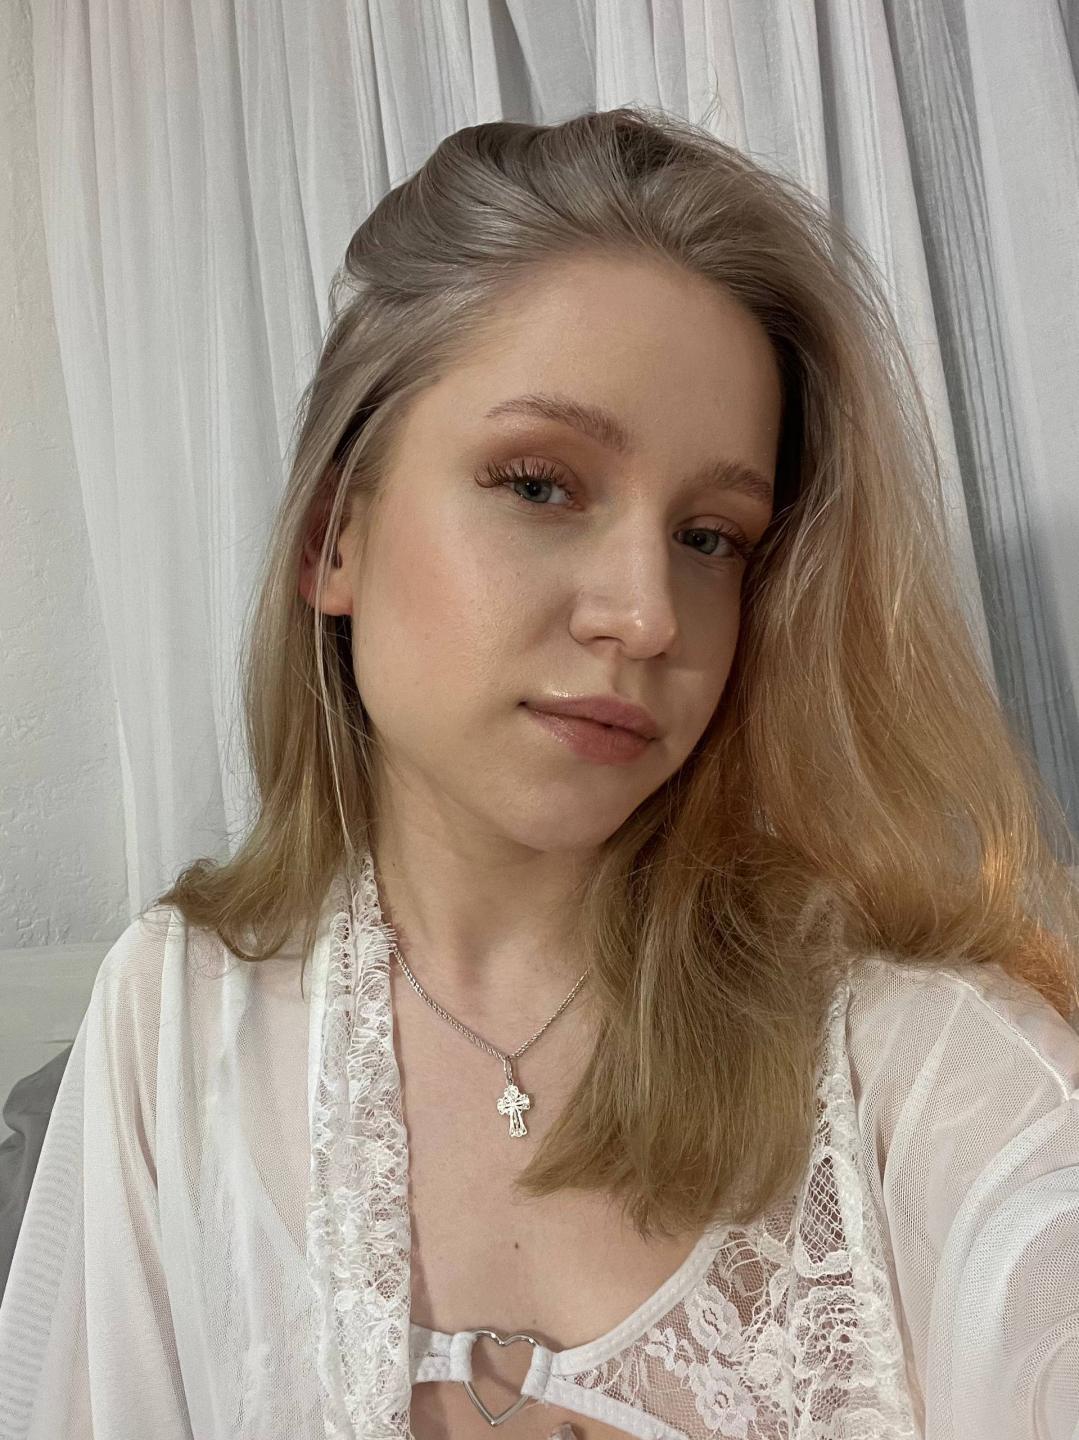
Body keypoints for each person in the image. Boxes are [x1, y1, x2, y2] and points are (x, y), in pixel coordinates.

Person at [1, 102, 1078, 1440]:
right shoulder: (174, 1017)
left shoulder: (921, 1071)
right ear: (334, 539)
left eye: (711, 536)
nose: (649, 614)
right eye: (539, 484)